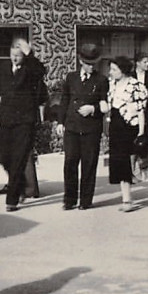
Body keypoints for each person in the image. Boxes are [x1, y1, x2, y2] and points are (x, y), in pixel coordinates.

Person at [0, 36, 47, 212]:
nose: (15, 58)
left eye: (18, 55)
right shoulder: (4, 69)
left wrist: (29, 53)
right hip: (7, 119)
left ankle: (12, 199)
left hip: (25, 121)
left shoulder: (30, 70)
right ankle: (21, 183)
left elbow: (40, 70)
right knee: (3, 156)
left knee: (18, 158)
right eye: (12, 54)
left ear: (23, 56)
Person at [56, 42, 109, 210]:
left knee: (89, 164)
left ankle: (86, 200)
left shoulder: (101, 80)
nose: (91, 67)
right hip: (72, 127)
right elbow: (64, 101)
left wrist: (92, 109)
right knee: (70, 163)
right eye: (88, 64)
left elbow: (105, 105)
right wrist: (60, 122)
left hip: (91, 129)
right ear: (81, 62)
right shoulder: (71, 78)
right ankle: (69, 199)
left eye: (94, 64)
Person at [105, 56, 148, 211]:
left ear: (123, 71)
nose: (111, 72)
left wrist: (141, 133)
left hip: (129, 127)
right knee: (119, 162)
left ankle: (127, 200)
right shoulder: (112, 85)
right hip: (115, 125)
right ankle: (126, 198)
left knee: (127, 162)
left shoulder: (136, 86)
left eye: (114, 69)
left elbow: (141, 111)